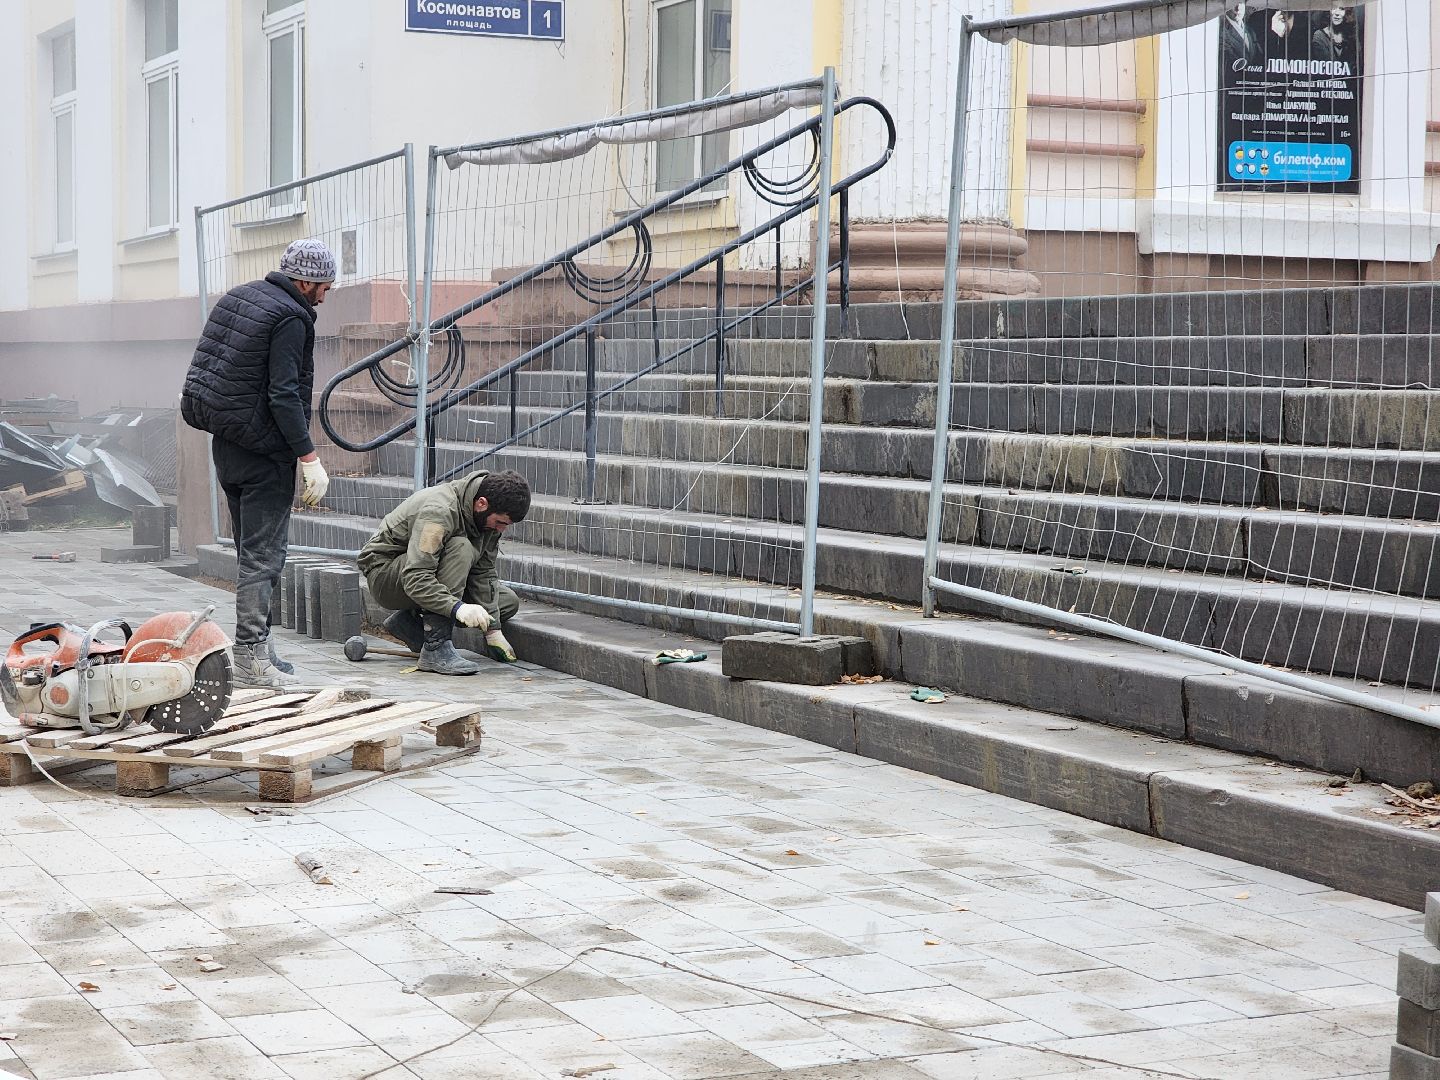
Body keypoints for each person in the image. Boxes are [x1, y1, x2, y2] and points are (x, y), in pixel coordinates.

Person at [180, 239, 334, 688]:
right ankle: (249, 658)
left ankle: (260, 647)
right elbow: (283, 392)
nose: (325, 296)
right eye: (324, 286)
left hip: (228, 446)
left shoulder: (242, 297)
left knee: (251, 553)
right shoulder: (290, 316)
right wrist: (308, 456)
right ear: (304, 280)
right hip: (266, 453)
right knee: (263, 559)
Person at [358, 469, 530, 675]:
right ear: (481, 503)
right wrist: (457, 608)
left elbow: (484, 574)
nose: (501, 530)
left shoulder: (487, 522)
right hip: (387, 577)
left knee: (506, 602)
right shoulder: (439, 512)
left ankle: (410, 623)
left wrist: (493, 630)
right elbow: (416, 577)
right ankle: (435, 649)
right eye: (501, 522)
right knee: (461, 548)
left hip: (421, 577)